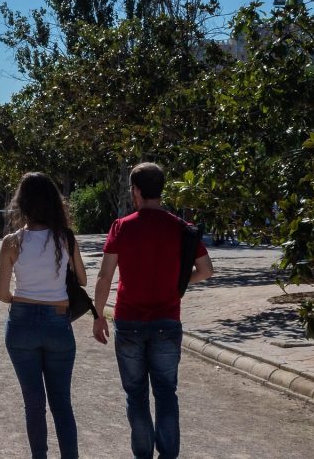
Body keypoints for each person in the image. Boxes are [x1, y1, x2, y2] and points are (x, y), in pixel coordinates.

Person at [92, 163, 215, 459]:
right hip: (167, 322)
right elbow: (207, 270)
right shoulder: (181, 228)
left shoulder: (122, 227)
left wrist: (98, 315)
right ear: (161, 190)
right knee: (165, 395)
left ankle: (143, 454)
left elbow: (105, 276)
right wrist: (178, 282)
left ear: (135, 190)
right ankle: (169, 454)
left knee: (136, 395)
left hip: (129, 321)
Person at [0, 172, 86, 458]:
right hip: (58, 321)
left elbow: (1, 294)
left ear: (21, 204)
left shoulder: (12, 241)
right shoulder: (65, 238)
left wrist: (22, 302)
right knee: (62, 402)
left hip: (21, 323)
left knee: (33, 402)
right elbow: (82, 280)